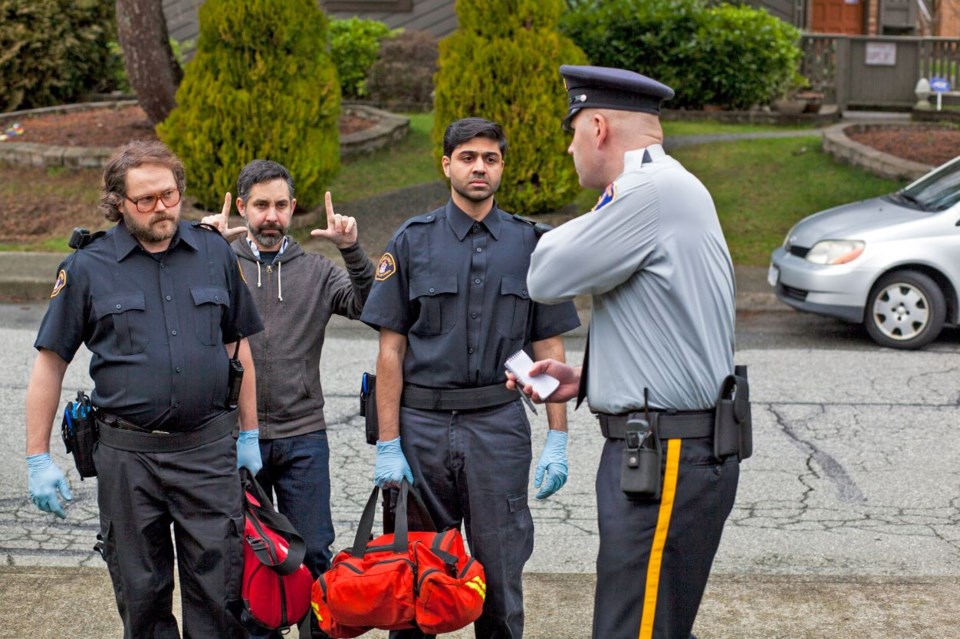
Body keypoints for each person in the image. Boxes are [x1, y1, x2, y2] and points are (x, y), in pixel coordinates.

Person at [511, 66, 744, 639]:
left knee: (632, 629)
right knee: (649, 623)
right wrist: (590, 378)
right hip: (670, 445)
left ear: (597, 127)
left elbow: (544, 273)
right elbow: (671, 324)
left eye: (572, 134)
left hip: (665, 452)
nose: (569, 149)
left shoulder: (648, 192)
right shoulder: (671, 188)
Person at [25, 140, 264, 638]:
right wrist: (37, 457)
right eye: (146, 200)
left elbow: (236, 349)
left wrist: (250, 434)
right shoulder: (88, 267)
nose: (162, 208)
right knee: (142, 594)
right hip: (128, 458)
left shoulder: (214, 251)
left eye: (170, 195)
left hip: (207, 452)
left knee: (220, 593)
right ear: (117, 203)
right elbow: (50, 364)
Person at [359, 117, 581, 639]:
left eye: (490, 158)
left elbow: (549, 344)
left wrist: (559, 437)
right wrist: (388, 443)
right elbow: (390, 349)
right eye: (467, 157)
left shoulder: (532, 243)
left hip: (496, 426)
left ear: (502, 167)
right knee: (414, 576)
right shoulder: (412, 242)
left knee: (500, 573)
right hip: (420, 429)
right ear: (446, 165)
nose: (479, 167)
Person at [202, 159, 374, 637]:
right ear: (242, 208)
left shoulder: (318, 270)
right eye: (260, 206)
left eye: (280, 205)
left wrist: (353, 251)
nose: (271, 216)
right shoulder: (219, 261)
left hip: (303, 437)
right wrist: (198, 247)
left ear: (293, 208)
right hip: (234, 439)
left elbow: (369, 306)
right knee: (250, 561)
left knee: (314, 553)